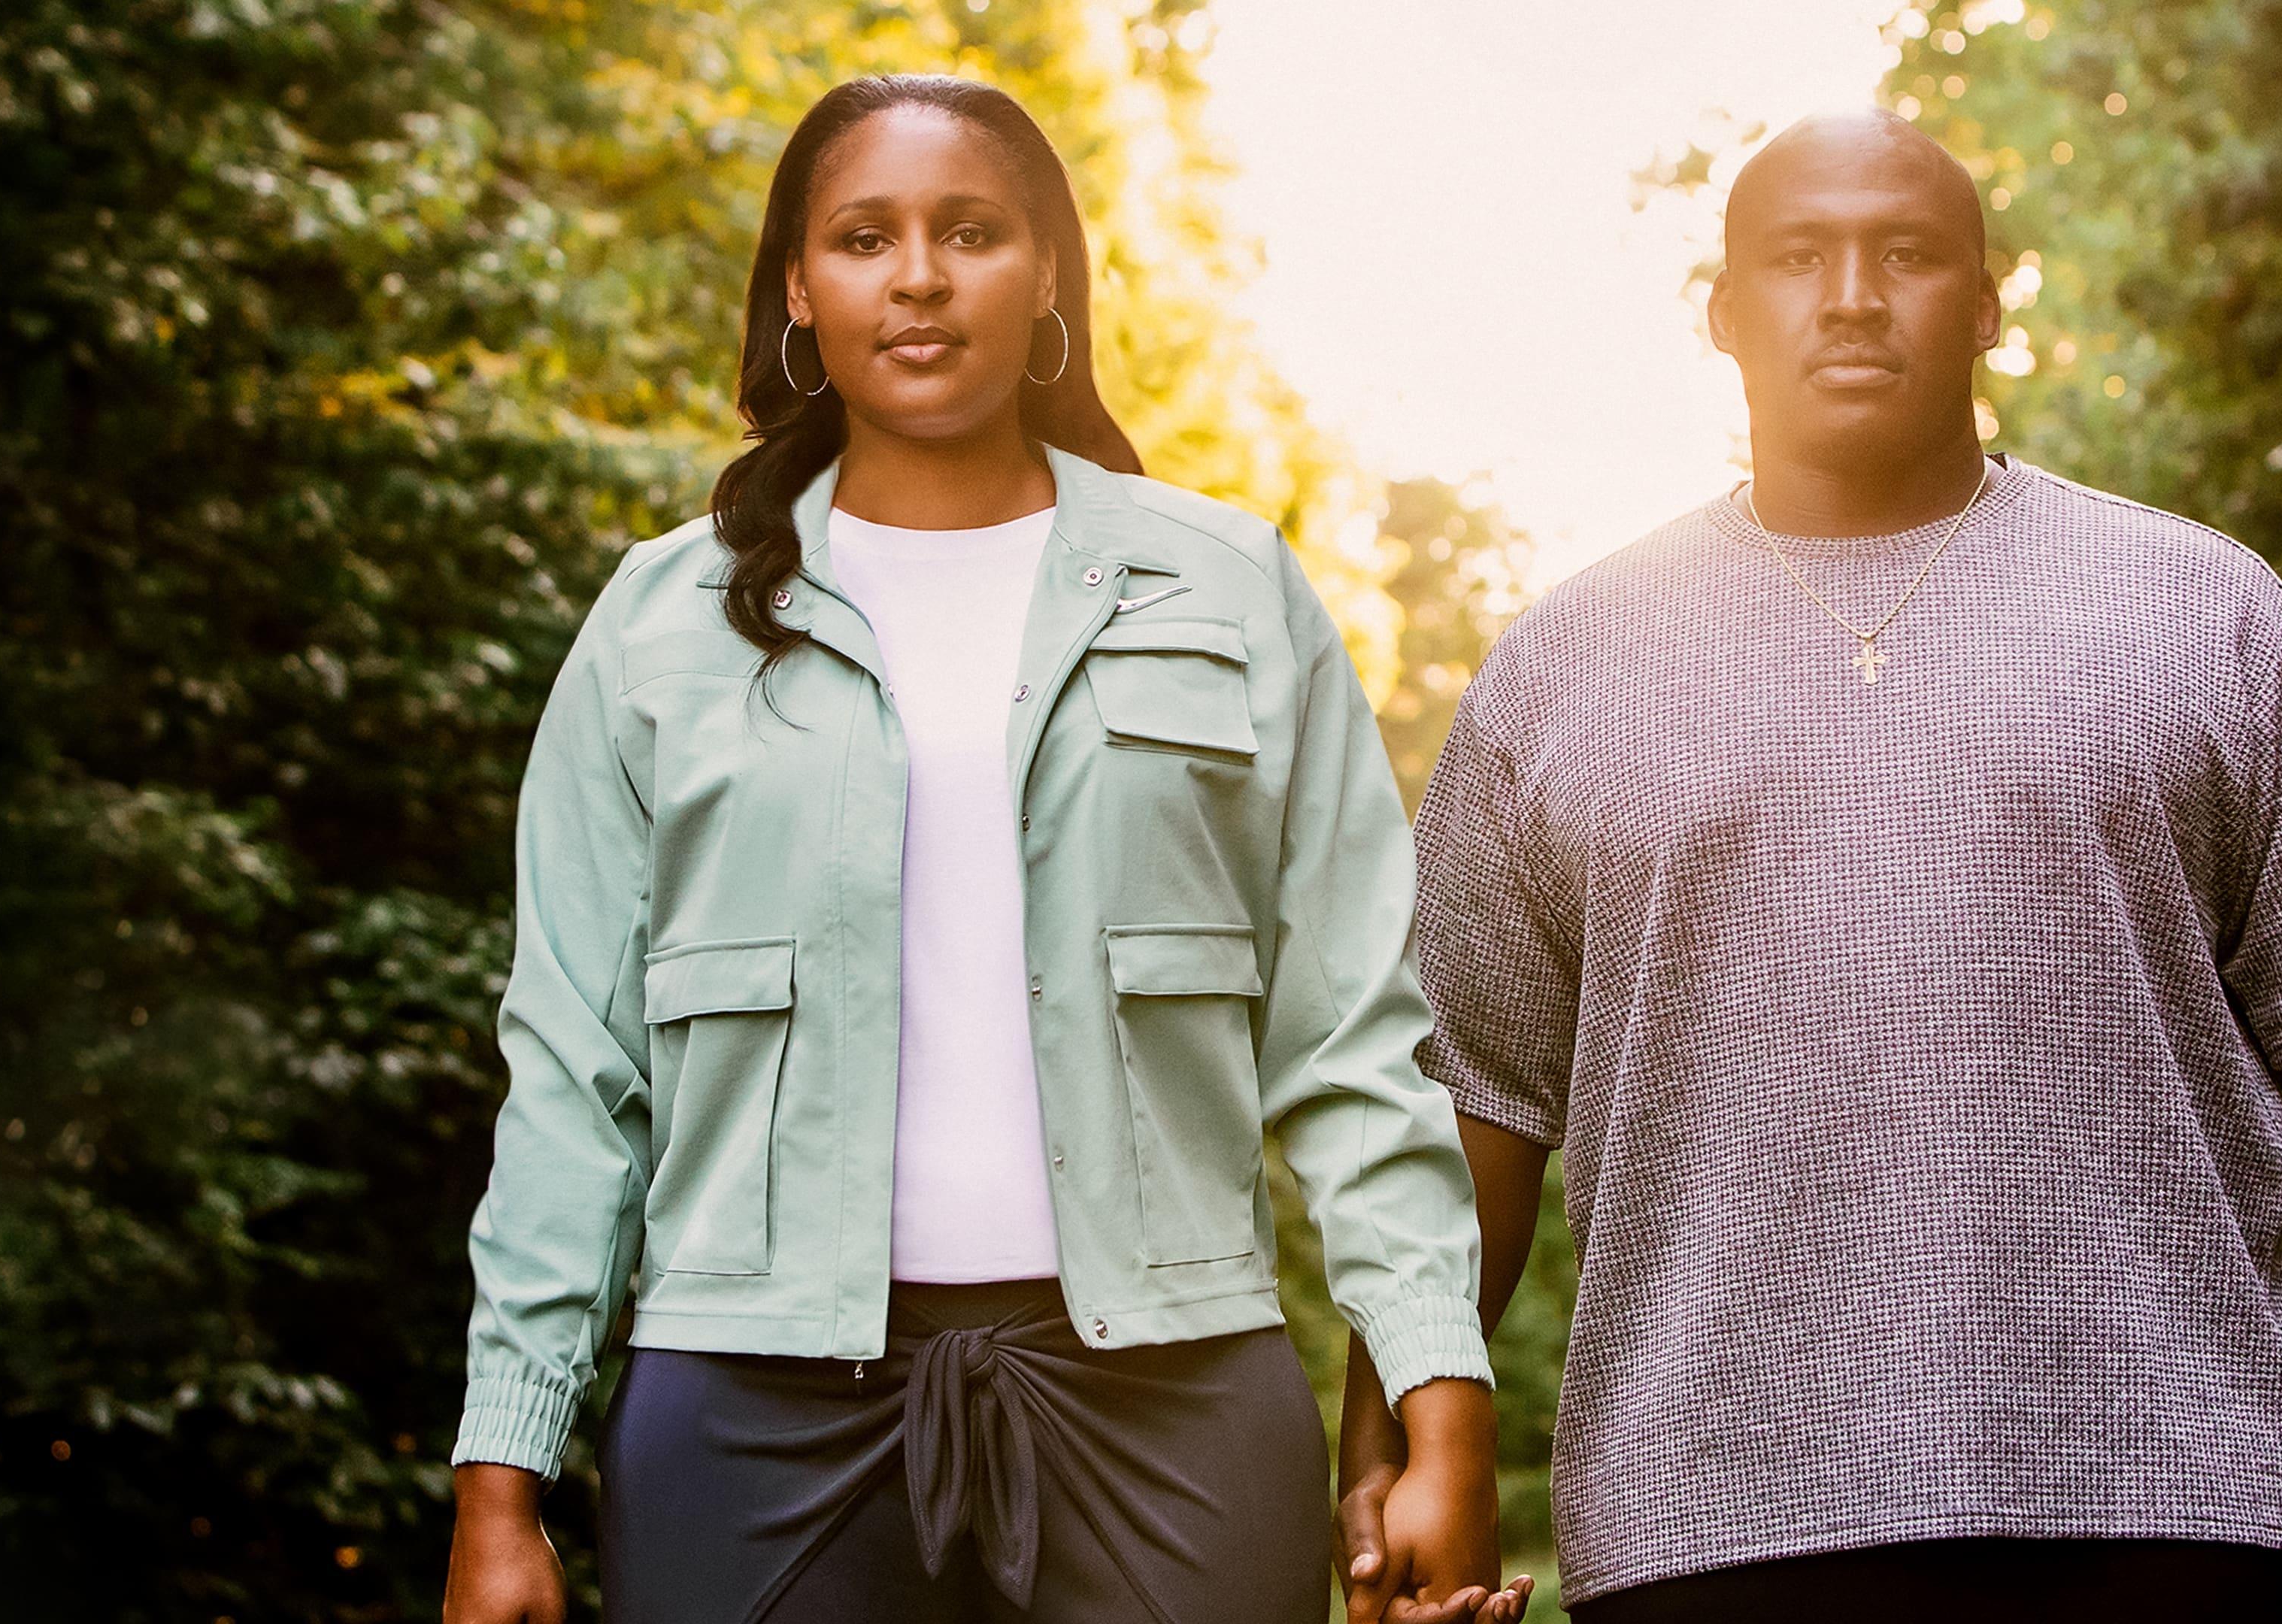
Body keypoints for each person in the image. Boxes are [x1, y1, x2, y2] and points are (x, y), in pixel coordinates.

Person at [1335, 111, 2282, 1624]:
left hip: (2161, 1509)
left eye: (1911, 254)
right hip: (1710, 1530)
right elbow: (1462, 1095)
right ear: (1723, 314)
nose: (1855, 294)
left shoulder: (2204, 614)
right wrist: (1397, 1442)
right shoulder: (1565, 670)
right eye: (1801, 258)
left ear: (1991, 303)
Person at [440, 74, 1525, 1624]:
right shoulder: (660, 624)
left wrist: (1442, 1407)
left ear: (1050, 277)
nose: (923, 276)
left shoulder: (1227, 590)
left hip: (1172, 1408)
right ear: (802, 289)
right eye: (867, 238)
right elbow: (570, 1070)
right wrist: (503, 1478)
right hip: (749, 1421)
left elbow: (1354, 1039)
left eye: (972, 232)